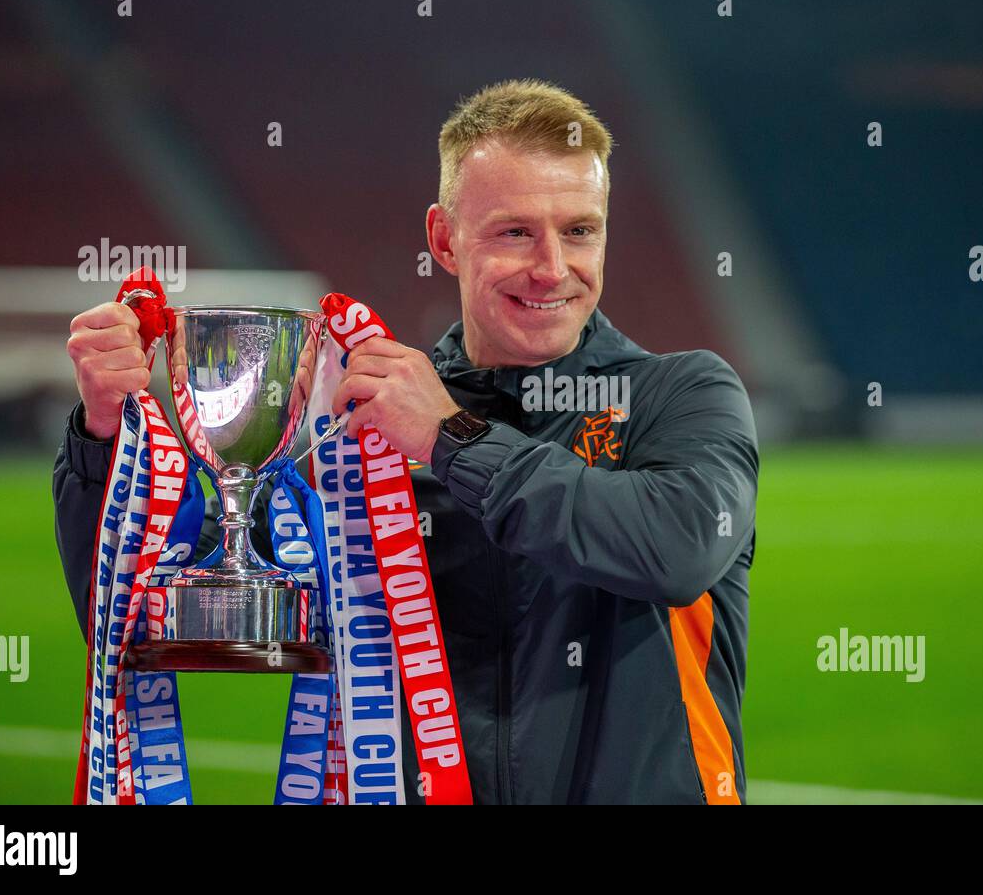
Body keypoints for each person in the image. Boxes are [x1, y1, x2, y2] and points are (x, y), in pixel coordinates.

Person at [54, 79, 758, 804]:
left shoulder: (684, 395)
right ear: (444, 240)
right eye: (515, 232)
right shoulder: (365, 436)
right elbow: (143, 614)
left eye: (580, 230)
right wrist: (106, 438)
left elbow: (677, 548)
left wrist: (450, 437)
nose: (553, 268)